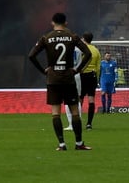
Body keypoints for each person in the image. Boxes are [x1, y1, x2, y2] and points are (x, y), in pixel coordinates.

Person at [28, 12, 92, 151]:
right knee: (75, 111)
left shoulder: (46, 38)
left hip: (53, 78)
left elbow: (31, 55)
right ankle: (79, 143)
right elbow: (88, 54)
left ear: (52, 23)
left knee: (55, 112)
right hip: (68, 77)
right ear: (66, 23)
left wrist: (43, 70)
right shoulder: (72, 36)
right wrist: (77, 69)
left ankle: (62, 144)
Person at [79, 32, 101, 129]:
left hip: (82, 75)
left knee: (80, 99)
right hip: (92, 76)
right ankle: (89, 124)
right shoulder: (96, 50)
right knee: (91, 99)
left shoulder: (81, 50)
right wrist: (96, 79)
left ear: (83, 39)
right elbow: (98, 67)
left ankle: (77, 121)